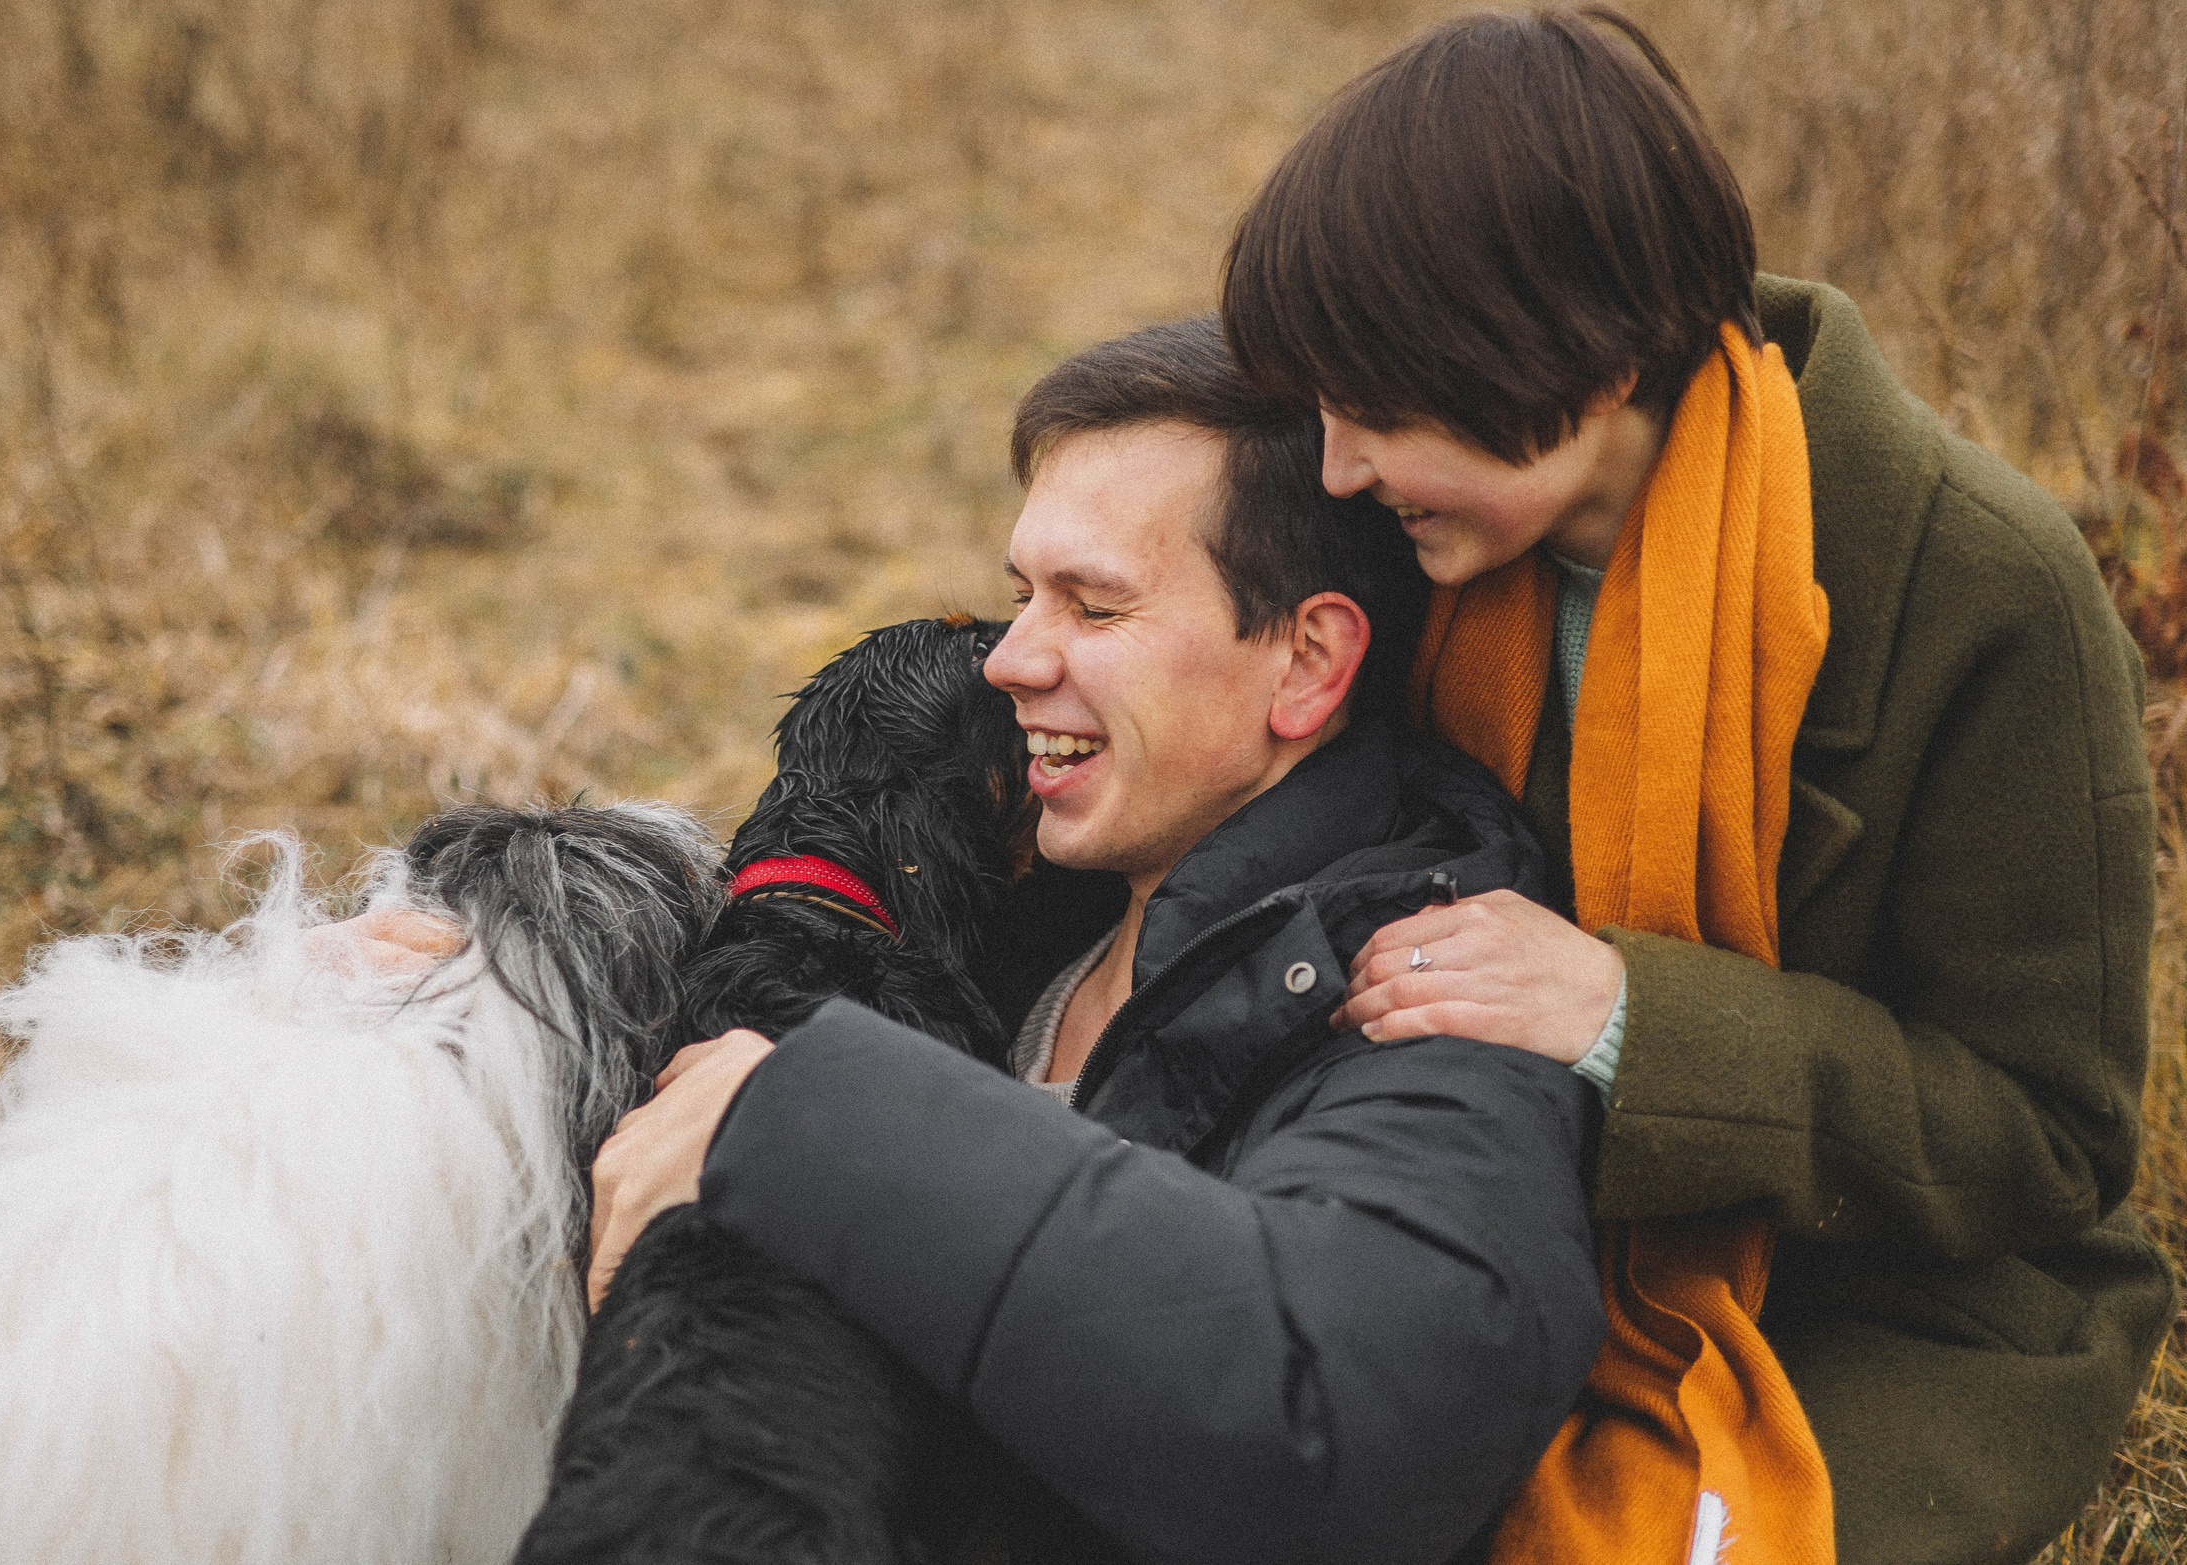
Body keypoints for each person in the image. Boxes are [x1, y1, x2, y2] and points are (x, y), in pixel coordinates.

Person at [1214, 9, 2172, 1565]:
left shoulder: (1987, 593)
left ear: (1584, 359)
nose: (1330, 471)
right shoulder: (1408, 541)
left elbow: (2045, 1139)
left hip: (1876, 1297)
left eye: (1379, 411)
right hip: (1466, 1199)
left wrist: (1625, 1021)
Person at [577, 316, 1607, 1564]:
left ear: (1307, 660)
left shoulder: (1428, 987)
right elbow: (785, 934)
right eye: (1022, 596)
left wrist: (810, 1121)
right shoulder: (1032, 897)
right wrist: (508, 942)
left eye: (1096, 606)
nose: (1009, 660)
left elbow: (1334, 1421)